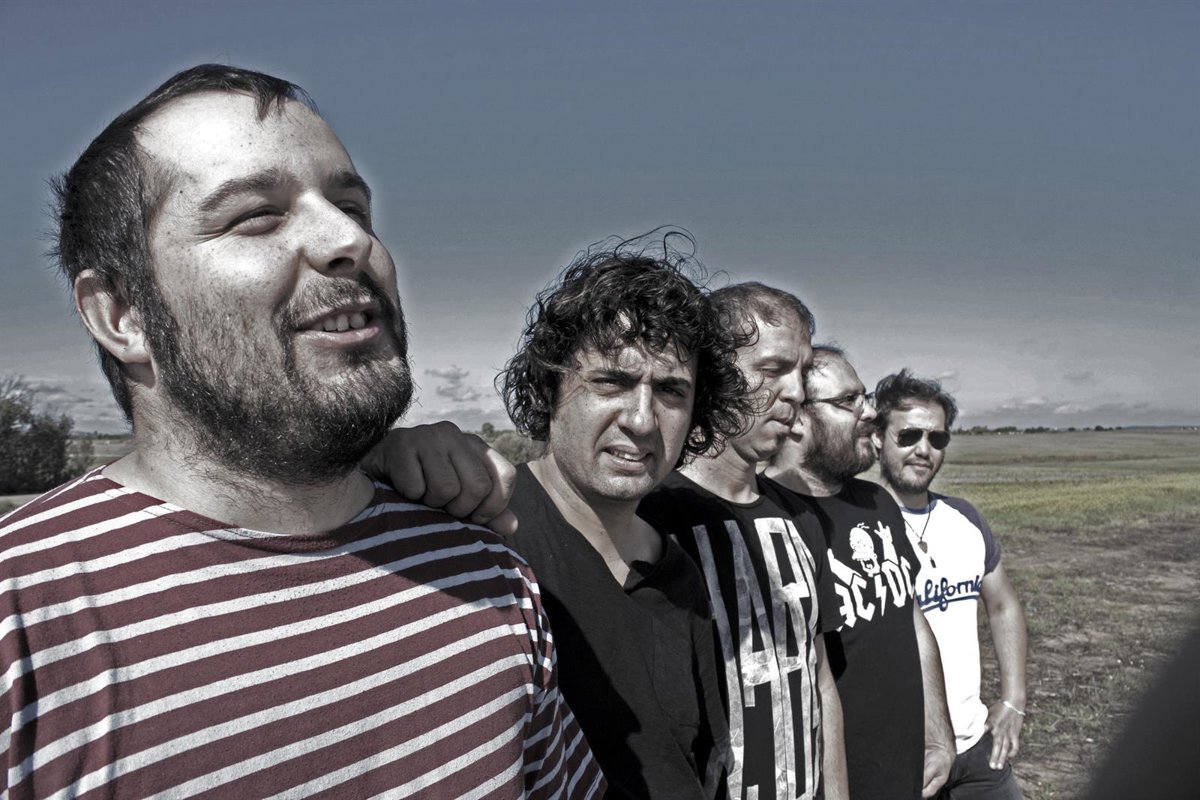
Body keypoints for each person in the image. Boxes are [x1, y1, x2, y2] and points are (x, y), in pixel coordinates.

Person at [0, 64, 603, 798]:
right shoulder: (21, 615)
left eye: (353, 206)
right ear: (121, 314)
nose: (349, 238)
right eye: (256, 216)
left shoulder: (488, 573)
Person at [496, 232, 751, 798]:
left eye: (671, 391)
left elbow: (697, 761)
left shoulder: (677, 574)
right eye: (611, 381)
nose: (641, 419)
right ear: (550, 387)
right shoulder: (487, 538)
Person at [639, 283, 849, 800]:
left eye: (802, 373)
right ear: (712, 376)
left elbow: (820, 676)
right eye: (773, 369)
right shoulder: (650, 516)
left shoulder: (801, 517)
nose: (796, 393)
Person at [764, 346, 954, 799]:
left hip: (912, 775)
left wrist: (938, 734)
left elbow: (913, 621)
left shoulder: (877, 501)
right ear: (797, 417)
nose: (869, 413)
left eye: (864, 397)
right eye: (848, 401)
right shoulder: (767, 520)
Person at [872, 370, 1028, 799]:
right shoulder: (855, 526)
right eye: (909, 436)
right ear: (877, 439)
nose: (923, 449)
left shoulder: (965, 519)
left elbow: (1003, 605)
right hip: (903, 760)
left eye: (937, 438)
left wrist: (1013, 699)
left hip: (978, 752)